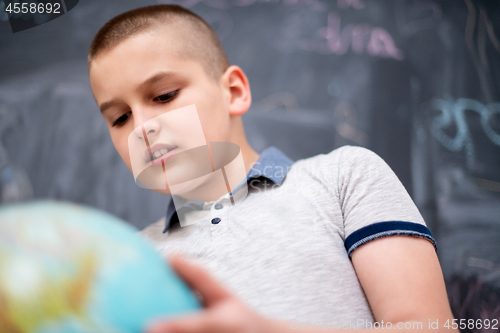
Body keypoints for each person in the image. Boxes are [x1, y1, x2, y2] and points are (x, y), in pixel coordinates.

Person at [87, 4, 457, 332]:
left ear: (234, 91)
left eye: (164, 95)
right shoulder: (128, 260)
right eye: (120, 118)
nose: (142, 128)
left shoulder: (344, 178)